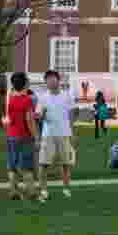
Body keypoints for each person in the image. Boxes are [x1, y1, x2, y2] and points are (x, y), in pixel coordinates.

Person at [35, 70, 77, 200]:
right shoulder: (42, 97)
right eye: (48, 80)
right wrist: (41, 115)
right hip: (48, 135)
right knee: (44, 164)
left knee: (66, 163)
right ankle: (43, 190)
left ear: (58, 80)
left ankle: (66, 188)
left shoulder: (67, 96)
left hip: (64, 134)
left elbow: (71, 114)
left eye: (53, 79)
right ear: (46, 82)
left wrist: (72, 132)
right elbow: (38, 117)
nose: (51, 82)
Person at [4, 73, 39, 200]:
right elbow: (29, 120)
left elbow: (11, 118)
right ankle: (32, 192)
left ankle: (13, 191)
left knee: (13, 165)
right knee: (26, 166)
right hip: (24, 136)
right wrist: (36, 137)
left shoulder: (11, 99)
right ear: (25, 84)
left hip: (11, 135)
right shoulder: (27, 100)